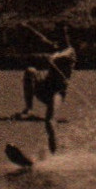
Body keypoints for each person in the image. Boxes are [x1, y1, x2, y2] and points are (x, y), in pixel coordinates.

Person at [18, 24, 75, 152]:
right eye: (60, 36)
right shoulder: (55, 47)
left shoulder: (70, 51)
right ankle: (29, 109)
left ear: (68, 37)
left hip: (58, 93)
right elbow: (42, 39)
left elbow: (62, 55)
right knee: (30, 71)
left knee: (49, 122)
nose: (62, 39)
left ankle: (54, 155)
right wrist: (29, 28)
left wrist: (53, 57)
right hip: (45, 88)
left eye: (64, 36)